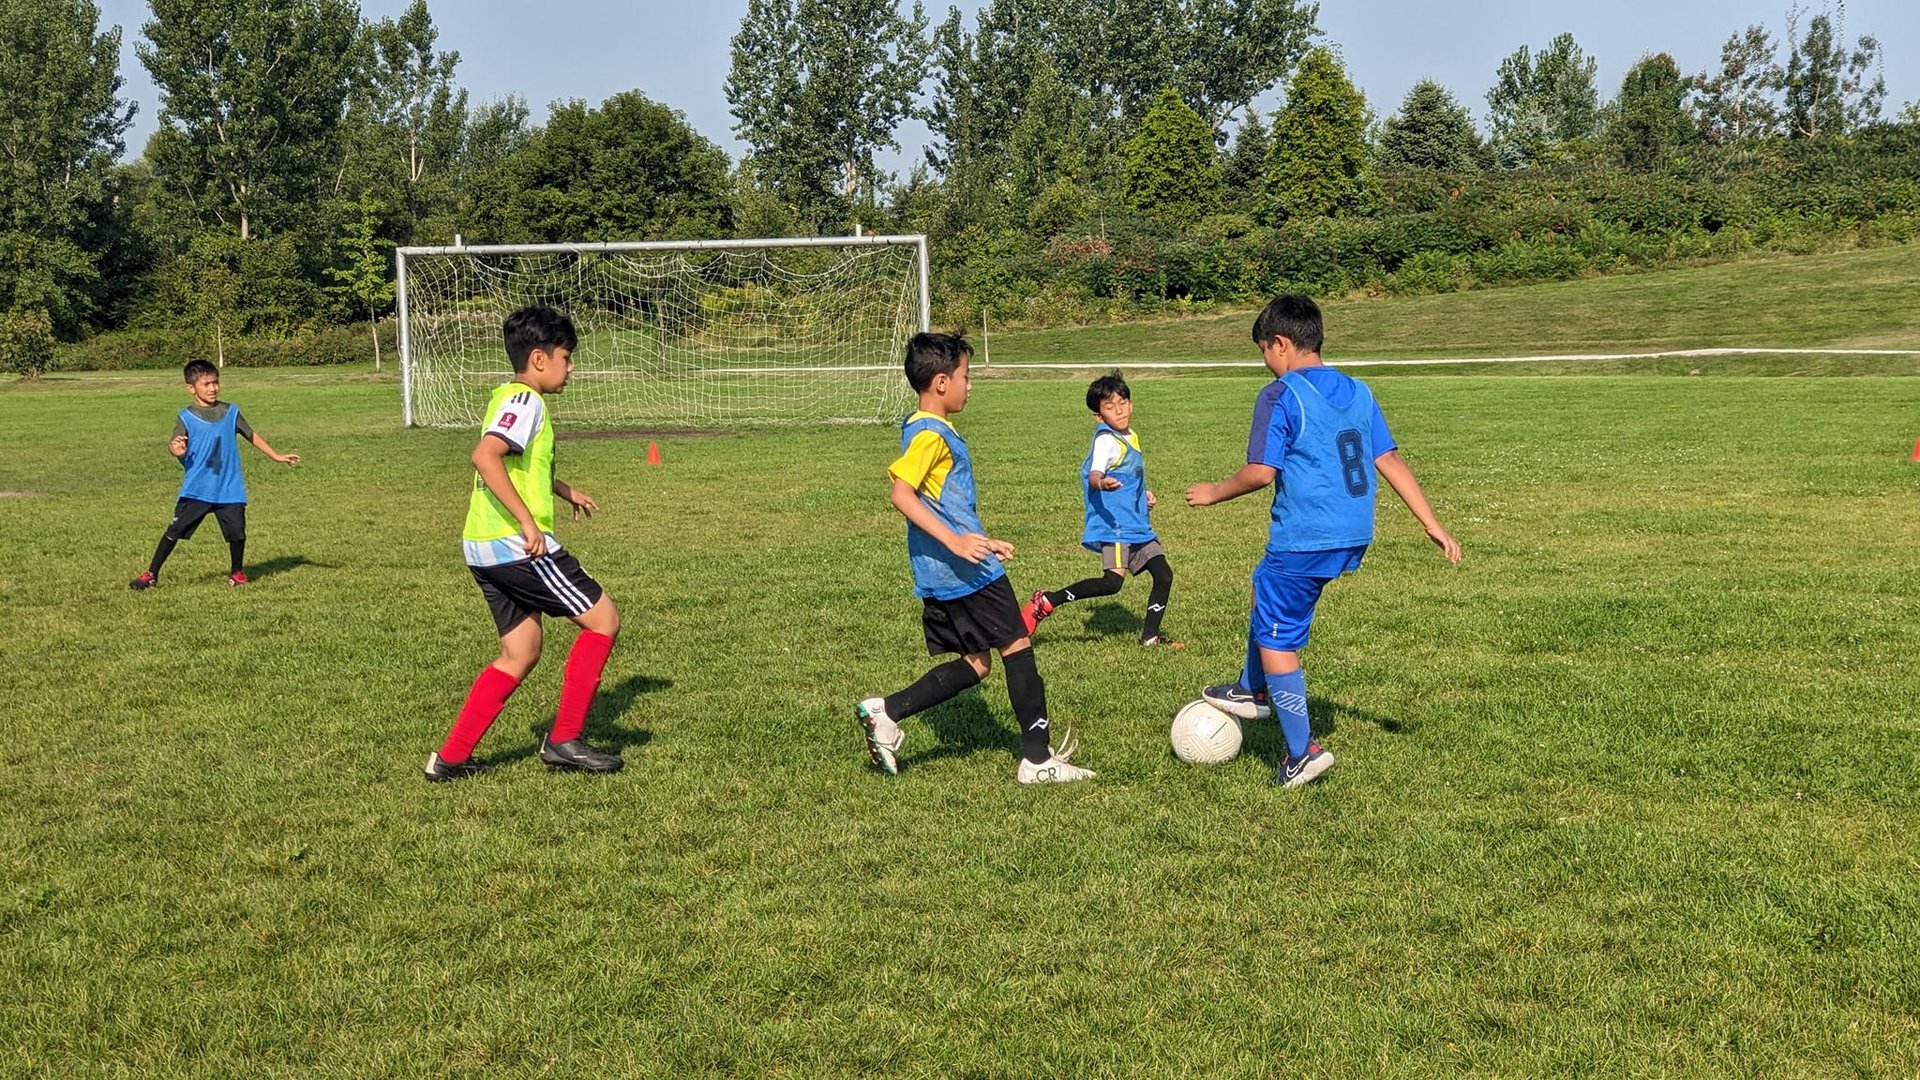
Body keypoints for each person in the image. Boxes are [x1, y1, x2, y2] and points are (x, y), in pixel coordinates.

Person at [1185, 296, 1460, 787]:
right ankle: (1250, 689)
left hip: (1305, 536)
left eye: (1263, 352)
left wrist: (1212, 493)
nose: (1265, 363)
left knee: (1278, 638)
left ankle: (1301, 752)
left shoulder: (1280, 394)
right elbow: (1389, 460)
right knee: (1263, 590)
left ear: (1281, 344)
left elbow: (1261, 472)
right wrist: (1431, 522)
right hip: (1352, 534)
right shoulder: (1358, 390)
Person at [855, 332, 1094, 785]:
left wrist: (980, 538)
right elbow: (901, 495)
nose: (970, 385)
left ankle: (886, 712)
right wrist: (960, 544)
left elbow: (943, 502)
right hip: (961, 569)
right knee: (1018, 644)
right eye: (966, 376)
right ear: (941, 382)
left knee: (977, 663)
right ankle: (1038, 760)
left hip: (943, 569)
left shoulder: (923, 428)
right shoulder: (929, 434)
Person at [425, 306, 625, 782]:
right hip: (516, 546)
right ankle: (565, 740)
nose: (570, 367)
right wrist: (528, 523)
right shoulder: (527, 402)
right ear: (539, 358)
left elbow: (518, 463)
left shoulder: (508, 398)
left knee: (522, 651)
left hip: (482, 546)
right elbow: (486, 456)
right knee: (603, 621)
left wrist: (562, 490)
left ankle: (449, 758)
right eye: (566, 357)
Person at [1021, 370, 1179, 647]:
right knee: (1111, 584)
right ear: (1098, 416)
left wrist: (1143, 495)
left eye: (1122, 402)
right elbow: (1095, 473)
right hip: (1116, 526)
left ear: (1131, 403)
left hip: (1137, 524)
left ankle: (1150, 637)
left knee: (1164, 575)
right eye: (1109, 407)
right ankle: (1047, 601)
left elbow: (1129, 475)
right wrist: (1101, 483)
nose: (1119, 411)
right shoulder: (1106, 440)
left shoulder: (1131, 436)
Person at [129, 359, 299, 590]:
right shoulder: (186, 417)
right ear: (191, 388)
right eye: (206, 384)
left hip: (229, 488)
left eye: (215, 382)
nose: (213, 388)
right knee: (174, 531)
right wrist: (175, 448)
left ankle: (237, 573)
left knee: (237, 534)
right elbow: (175, 444)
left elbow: (251, 435)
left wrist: (276, 456)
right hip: (198, 488)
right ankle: (151, 573)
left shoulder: (231, 412)